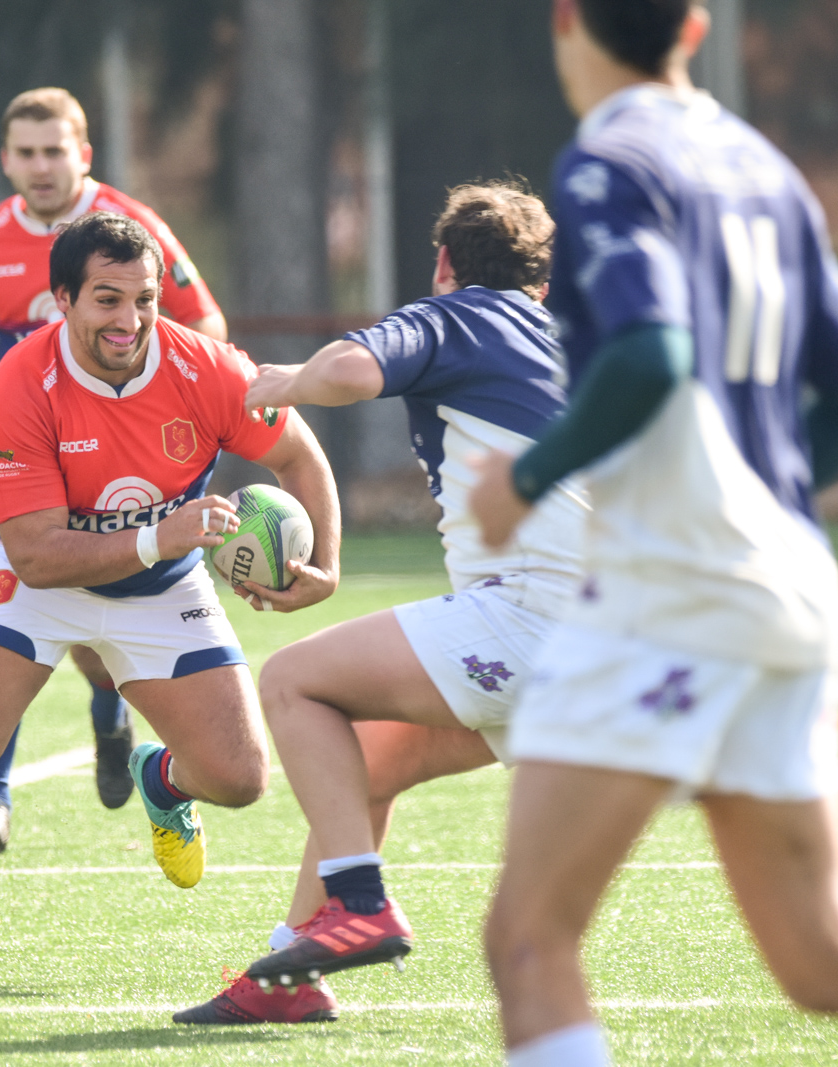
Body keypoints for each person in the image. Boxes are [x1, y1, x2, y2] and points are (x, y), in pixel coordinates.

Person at [468, 3, 838, 1064]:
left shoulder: (609, 160)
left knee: (527, 938)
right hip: (786, 580)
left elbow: (648, 354)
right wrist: (756, 504)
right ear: (695, 27)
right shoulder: (761, 165)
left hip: (673, 590)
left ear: (565, 20)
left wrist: (529, 475)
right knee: (825, 960)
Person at [0, 211, 340, 996]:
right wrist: (162, 535)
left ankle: (160, 780)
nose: (129, 320)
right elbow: (33, 551)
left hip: (162, 582)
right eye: (106, 299)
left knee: (239, 778)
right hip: (35, 584)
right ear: (62, 298)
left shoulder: (209, 368)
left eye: (144, 299)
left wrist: (324, 565)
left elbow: (300, 453)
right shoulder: (23, 382)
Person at [173, 182, 586, 1025]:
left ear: (443, 264)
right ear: (543, 282)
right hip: (623, 636)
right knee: (370, 761)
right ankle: (290, 975)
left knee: (291, 680)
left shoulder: (459, 315)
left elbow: (356, 370)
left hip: (537, 615)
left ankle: (358, 902)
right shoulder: (574, 342)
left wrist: (289, 379)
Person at [0, 87, 229, 857]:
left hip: (120, 469)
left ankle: (107, 707)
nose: (41, 166)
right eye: (26, 153)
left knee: (95, 634)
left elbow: (208, 326)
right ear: (6, 160)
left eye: (55, 150)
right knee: (12, 613)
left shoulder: (133, 228)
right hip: (27, 464)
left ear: (84, 154)